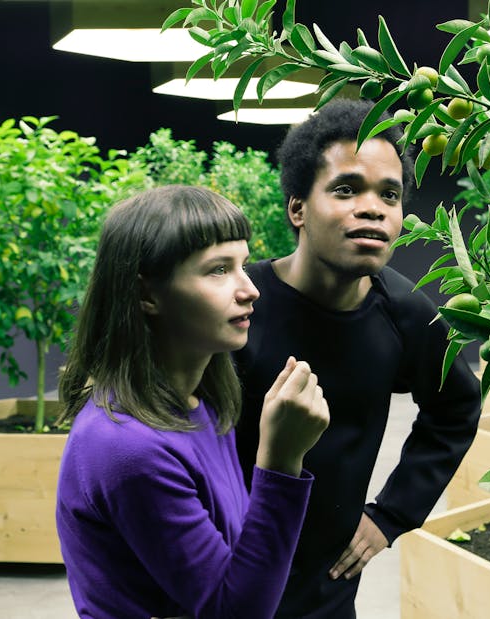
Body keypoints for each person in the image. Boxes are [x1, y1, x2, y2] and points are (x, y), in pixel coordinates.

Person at [232, 98, 483, 617]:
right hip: (222, 574)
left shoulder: (404, 313)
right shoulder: (240, 304)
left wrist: (391, 515)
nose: (373, 208)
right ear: (298, 209)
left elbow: (456, 407)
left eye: (389, 194)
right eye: (346, 189)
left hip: (327, 591)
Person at [55, 185, 330, 619]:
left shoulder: (202, 404)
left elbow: (233, 561)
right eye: (218, 270)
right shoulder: (128, 449)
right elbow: (234, 612)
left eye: (243, 265)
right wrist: (280, 462)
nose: (249, 290)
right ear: (147, 294)